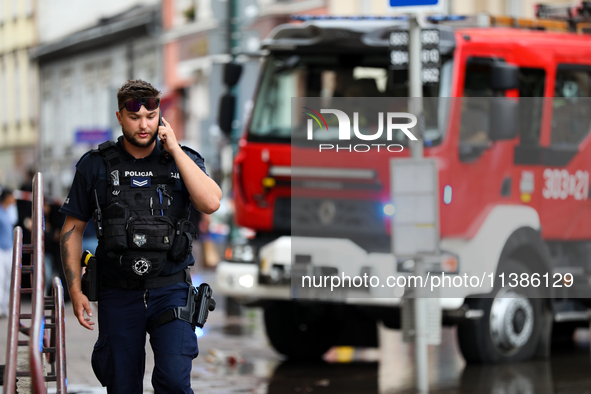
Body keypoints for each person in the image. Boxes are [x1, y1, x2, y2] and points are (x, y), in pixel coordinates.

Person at [59, 79, 221, 393]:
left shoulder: (183, 158)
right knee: (121, 386)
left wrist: (173, 148)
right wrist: (75, 290)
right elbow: (72, 228)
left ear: (160, 115)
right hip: (118, 292)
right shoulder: (95, 166)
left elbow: (211, 202)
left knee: (174, 380)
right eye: (134, 118)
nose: (143, 125)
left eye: (150, 116)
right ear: (120, 117)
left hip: (171, 289)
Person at [0, 189, 17, 317]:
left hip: (9, 248)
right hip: (0, 249)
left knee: (8, 279)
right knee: (1, 278)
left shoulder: (8, 212)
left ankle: (5, 307)